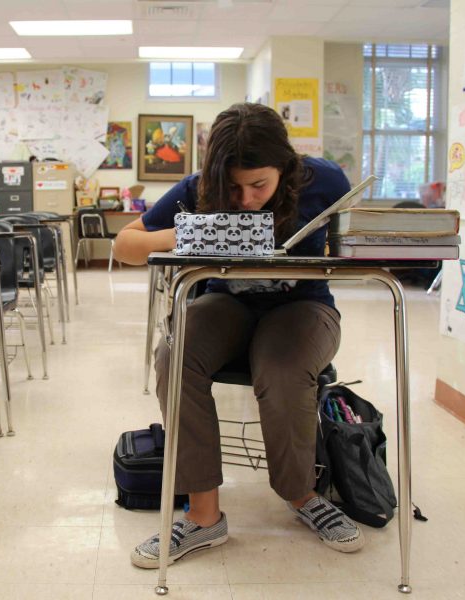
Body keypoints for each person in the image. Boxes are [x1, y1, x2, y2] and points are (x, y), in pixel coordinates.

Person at [114, 102, 363, 569]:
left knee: (283, 369)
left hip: (302, 306)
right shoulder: (199, 188)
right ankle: (204, 515)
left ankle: (302, 495)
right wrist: (188, 232)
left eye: (259, 186)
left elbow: (355, 245)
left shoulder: (324, 181)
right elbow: (125, 245)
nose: (246, 199)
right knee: (175, 354)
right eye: (233, 187)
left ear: (286, 169)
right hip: (224, 303)